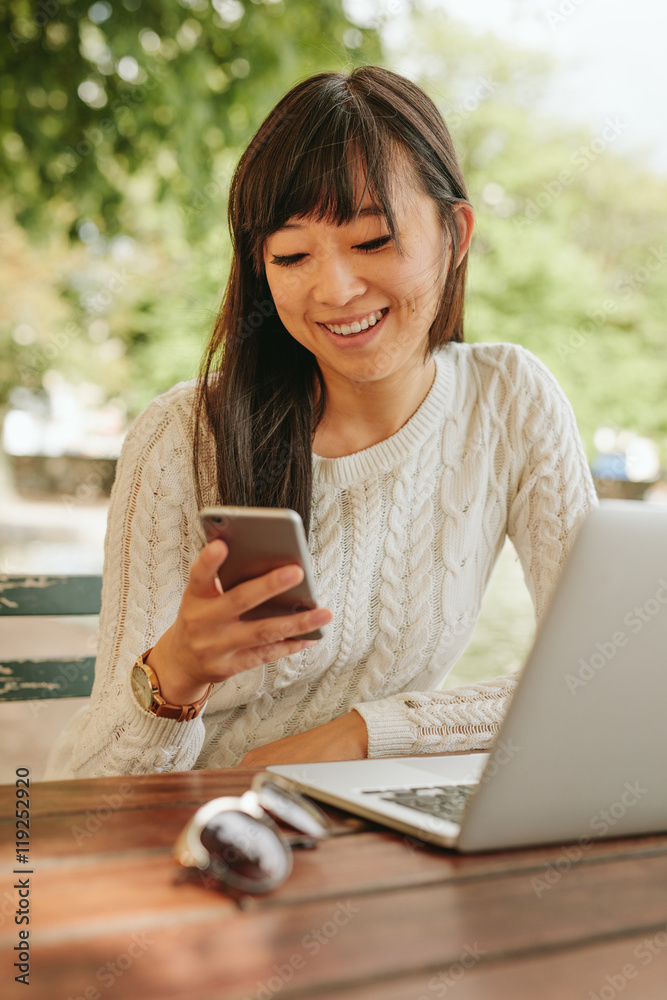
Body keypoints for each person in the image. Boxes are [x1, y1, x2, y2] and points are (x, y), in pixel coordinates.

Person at [46, 65, 597, 780]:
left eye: (371, 242)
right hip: (199, 828)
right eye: (292, 254)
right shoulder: (183, 436)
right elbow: (88, 790)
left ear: (454, 233)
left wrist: (368, 733)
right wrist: (174, 676)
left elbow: (608, 672)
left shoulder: (509, 399)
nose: (334, 290)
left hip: (360, 824)